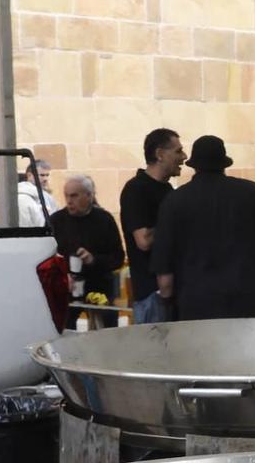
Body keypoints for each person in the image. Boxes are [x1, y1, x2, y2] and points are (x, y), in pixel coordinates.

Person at [149, 135, 255, 320]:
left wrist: (169, 304)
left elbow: (165, 275)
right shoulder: (251, 193)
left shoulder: (174, 201)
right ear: (224, 163)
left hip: (197, 306)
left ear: (195, 165)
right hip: (250, 301)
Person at [121, 128, 186, 323]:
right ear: (159, 154)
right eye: (178, 151)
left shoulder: (167, 190)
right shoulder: (136, 189)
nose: (184, 157)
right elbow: (144, 240)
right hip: (152, 294)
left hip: (174, 290)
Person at [48, 175, 126, 327]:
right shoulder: (56, 221)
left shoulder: (104, 219)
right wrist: (61, 274)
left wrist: (93, 260)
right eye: (66, 196)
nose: (69, 201)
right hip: (67, 287)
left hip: (99, 286)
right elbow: (46, 257)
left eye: (74, 196)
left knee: (107, 330)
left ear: (89, 196)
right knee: (62, 329)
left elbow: (117, 258)